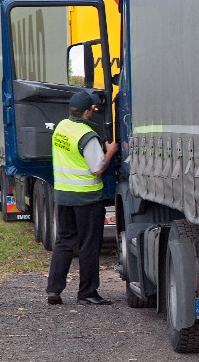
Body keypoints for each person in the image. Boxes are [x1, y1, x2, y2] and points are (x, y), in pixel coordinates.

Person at [46, 91, 118, 305]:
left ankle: (54, 290)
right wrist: (111, 151)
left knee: (64, 242)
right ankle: (87, 292)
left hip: (64, 196)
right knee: (88, 244)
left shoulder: (61, 127)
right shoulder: (87, 136)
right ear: (88, 112)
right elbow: (97, 169)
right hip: (86, 199)